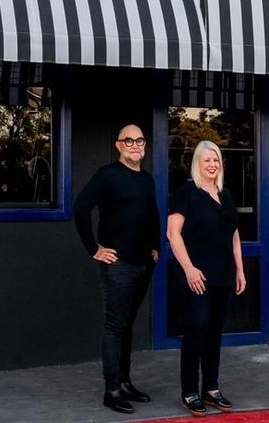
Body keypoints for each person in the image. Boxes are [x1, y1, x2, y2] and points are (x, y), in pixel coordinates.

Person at [73, 124, 161, 415]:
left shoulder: (147, 179)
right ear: (119, 145)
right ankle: (111, 389)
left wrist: (156, 246)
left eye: (140, 140)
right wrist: (94, 249)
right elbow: (80, 207)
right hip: (119, 265)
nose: (135, 145)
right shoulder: (107, 176)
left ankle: (125, 382)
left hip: (143, 264)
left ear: (144, 145)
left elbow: (152, 214)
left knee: (127, 325)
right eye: (129, 141)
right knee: (115, 326)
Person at [167, 140, 246, 417]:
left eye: (216, 160)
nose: (212, 165)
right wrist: (188, 268)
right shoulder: (187, 193)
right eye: (207, 160)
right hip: (197, 276)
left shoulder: (225, 196)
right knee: (196, 330)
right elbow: (172, 234)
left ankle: (211, 388)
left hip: (224, 274)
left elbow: (234, 235)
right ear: (197, 164)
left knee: (214, 334)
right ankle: (189, 390)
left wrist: (240, 269)